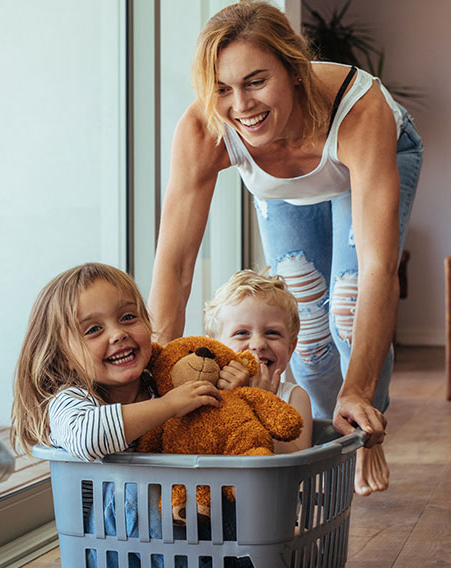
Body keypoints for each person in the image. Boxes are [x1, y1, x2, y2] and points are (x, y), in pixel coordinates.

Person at [148, 0, 424, 495]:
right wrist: (155, 376)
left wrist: (358, 388)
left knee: (346, 302)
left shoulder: (359, 109)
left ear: (294, 70)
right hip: (288, 189)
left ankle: (364, 426)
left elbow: (380, 267)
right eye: (222, 89)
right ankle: (322, 442)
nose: (242, 105)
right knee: (308, 330)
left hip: (370, 156)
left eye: (256, 81)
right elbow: (175, 264)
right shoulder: (205, 128)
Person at [12, 262, 222, 568]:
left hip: (177, 533)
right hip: (106, 551)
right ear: (65, 358)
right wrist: (170, 406)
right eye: (94, 329)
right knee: (131, 486)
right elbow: (87, 438)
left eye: (128, 317)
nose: (118, 333)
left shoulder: (158, 386)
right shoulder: (71, 400)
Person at [204, 268, 313, 453]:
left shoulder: (294, 397)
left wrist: (261, 403)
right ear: (216, 346)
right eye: (242, 333)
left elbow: (297, 461)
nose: (258, 344)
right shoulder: (206, 391)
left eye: (272, 333)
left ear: (290, 348)